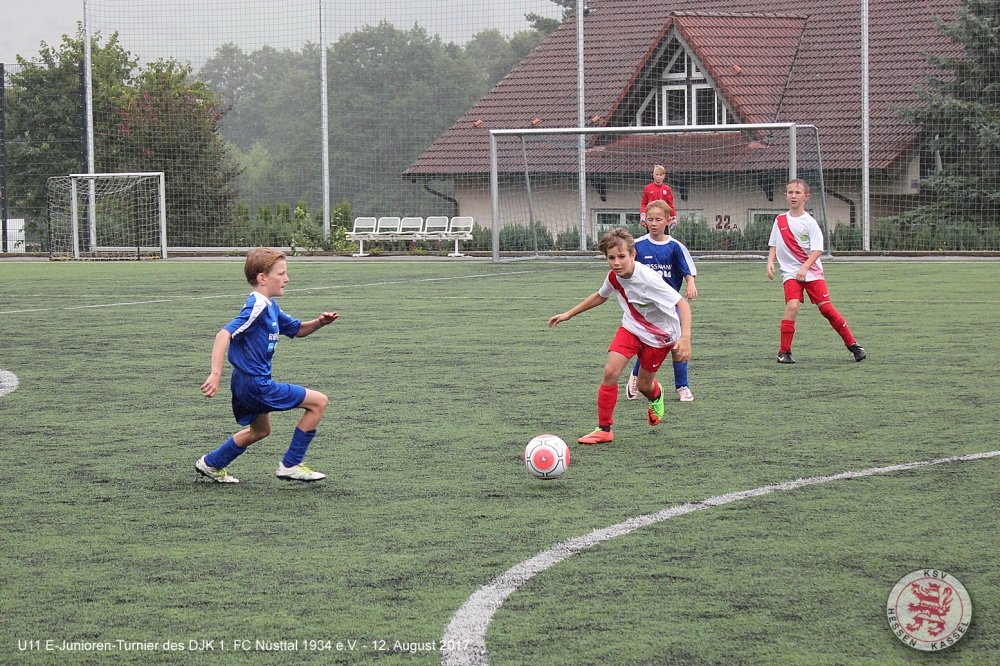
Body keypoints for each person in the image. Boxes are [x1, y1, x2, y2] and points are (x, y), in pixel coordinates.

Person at [196, 248, 339, 483]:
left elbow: (296, 330)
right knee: (319, 402)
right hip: (255, 384)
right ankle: (291, 464)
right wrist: (215, 373)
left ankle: (212, 463)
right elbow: (223, 334)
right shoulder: (257, 306)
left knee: (260, 431)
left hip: (244, 381)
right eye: (281, 274)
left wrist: (320, 323)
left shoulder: (269, 306)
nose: (287, 279)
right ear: (263, 278)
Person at [549, 228, 692, 444]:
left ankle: (655, 394)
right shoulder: (613, 277)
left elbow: (682, 303)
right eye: (611, 257)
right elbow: (600, 296)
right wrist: (569, 314)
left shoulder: (649, 279)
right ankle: (604, 429)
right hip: (632, 328)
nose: (616, 262)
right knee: (610, 372)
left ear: (633, 255)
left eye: (621, 257)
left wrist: (685, 338)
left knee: (644, 386)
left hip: (660, 336)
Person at [766, 179, 866, 364]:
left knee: (826, 309)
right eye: (790, 192)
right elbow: (773, 244)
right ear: (786, 195)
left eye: (797, 193)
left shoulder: (810, 222)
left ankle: (853, 345)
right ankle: (784, 352)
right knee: (792, 306)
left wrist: (805, 267)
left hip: (811, 272)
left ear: (806, 197)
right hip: (790, 273)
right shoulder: (780, 220)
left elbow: (818, 250)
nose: (793, 196)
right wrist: (770, 262)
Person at [626, 199, 698, 402]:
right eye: (650, 219)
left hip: (670, 305)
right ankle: (636, 377)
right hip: (646, 308)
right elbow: (627, 270)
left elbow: (687, 269)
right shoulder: (637, 246)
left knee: (677, 345)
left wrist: (690, 283)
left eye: (658, 219)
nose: (654, 223)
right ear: (645, 221)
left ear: (668, 220)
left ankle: (682, 386)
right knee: (646, 344)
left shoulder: (675, 246)